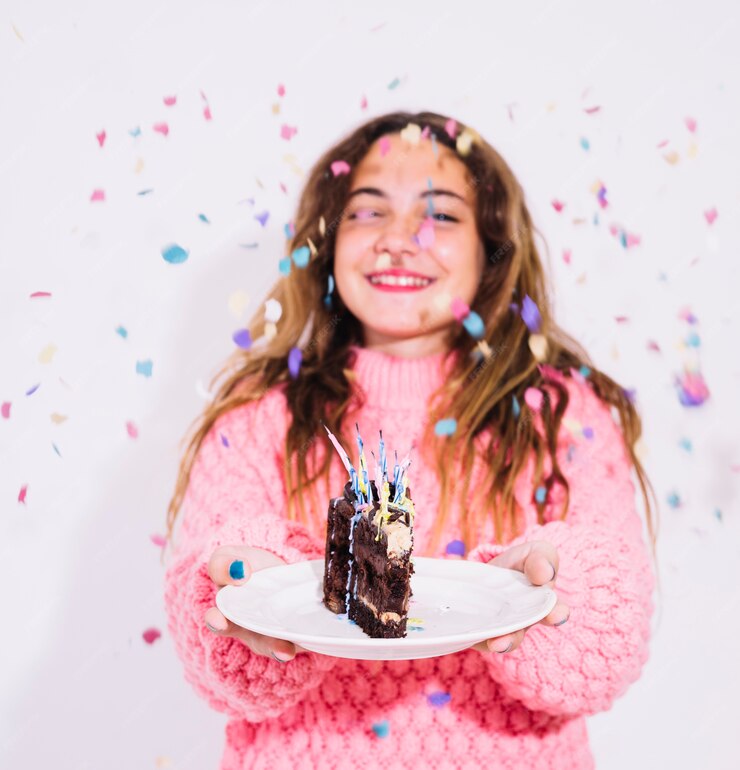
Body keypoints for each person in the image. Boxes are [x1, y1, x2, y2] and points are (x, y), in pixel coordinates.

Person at [162, 111, 659, 769]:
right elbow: (215, 649)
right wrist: (246, 594)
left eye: (442, 216)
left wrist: (552, 587)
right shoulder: (260, 418)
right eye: (367, 213)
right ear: (327, 241)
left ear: (492, 248)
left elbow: (611, 650)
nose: (399, 240)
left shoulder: (563, 417)